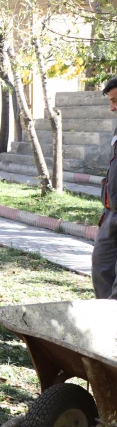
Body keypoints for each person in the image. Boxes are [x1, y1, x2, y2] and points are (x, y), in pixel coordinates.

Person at [93, 77, 117, 300]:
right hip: (111, 214)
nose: (112, 107)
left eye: (116, 100)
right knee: (101, 268)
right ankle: (106, 322)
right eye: (111, 101)